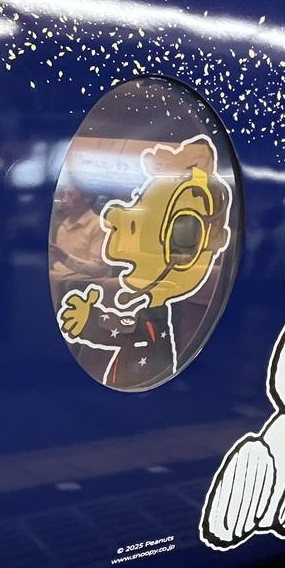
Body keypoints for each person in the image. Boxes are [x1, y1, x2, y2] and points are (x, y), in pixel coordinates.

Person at [57, 135, 233, 390]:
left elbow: (125, 330)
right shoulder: (156, 310)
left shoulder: (155, 318)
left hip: (139, 381)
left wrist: (89, 321)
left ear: (185, 243)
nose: (113, 216)